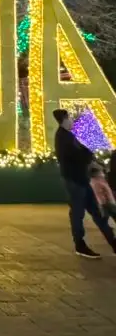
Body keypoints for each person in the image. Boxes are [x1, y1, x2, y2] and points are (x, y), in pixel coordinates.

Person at [53, 108, 116, 258]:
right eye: (70, 118)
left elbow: (81, 155)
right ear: (64, 120)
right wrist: (88, 156)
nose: (72, 121)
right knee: (78, 213)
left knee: (96, 212)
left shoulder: (68, 136)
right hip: (75, 181)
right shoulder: (63, 138)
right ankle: (80, 244)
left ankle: (113, 242)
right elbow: (75, 157)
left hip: (82, 180)